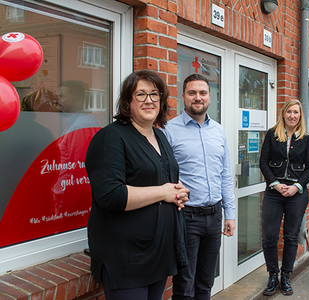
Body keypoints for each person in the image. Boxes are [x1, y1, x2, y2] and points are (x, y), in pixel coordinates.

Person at [85, 70, 190, 300]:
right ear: (127, 102)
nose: (149, 100)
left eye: (154, 94)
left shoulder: (159, 136)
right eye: (140, 94)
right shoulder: (110, 138)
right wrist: (164, 192)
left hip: (158, 252)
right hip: (128, 257)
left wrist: (178, 190)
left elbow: (164, 176)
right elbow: (111, 195)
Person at [164, 73, 235, 300]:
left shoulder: (219, 131)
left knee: (206, 283)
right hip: (186, 218)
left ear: (209, 97)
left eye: (202, 93)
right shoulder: (169, 130)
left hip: (214, 217)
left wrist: (230, 214)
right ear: (183, 97)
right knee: (184, 286)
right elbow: (163, 176)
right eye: (192, 93)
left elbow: (225, 174)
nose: (198, 97)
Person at [259, 99, 309, 296]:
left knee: (291, 236)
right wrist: (275, 183)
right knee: (269, 236)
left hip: (296, 194)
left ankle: (286, 276)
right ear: (283, 114)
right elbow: (263, 162)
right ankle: (273, 275)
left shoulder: (306, 139)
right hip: (274, 192)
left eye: (296, 112)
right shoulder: (272, 135)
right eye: (289, 112)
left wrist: (297, 187)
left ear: (300, 116)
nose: (292, 115)